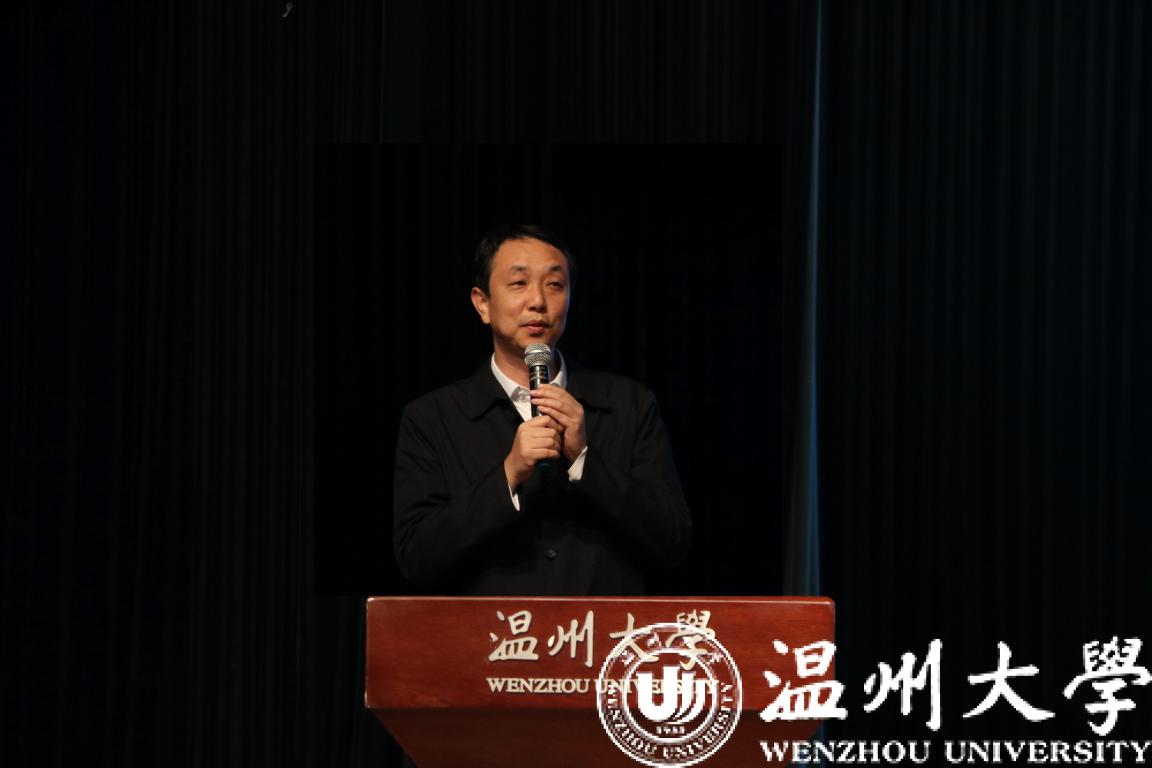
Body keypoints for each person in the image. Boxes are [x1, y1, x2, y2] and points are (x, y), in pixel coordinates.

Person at [393, 225, 691, 595]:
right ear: (482, 303)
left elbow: (671, 541)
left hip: (600, 629)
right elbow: (417, 557)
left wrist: (584, 459)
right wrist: (508, 474)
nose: (538, 301)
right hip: (492, 631)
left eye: (554, 285)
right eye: (519, 283)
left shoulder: (628, 404)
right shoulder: (433, 417)